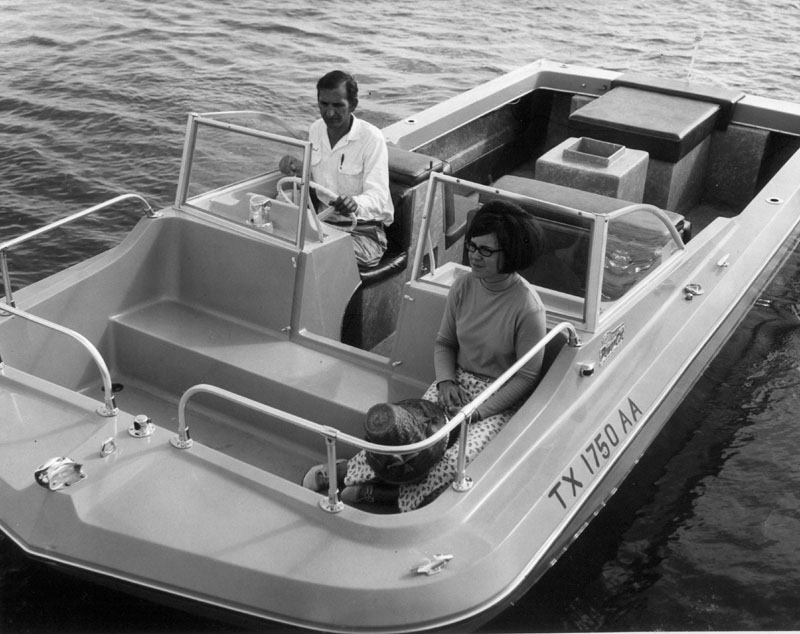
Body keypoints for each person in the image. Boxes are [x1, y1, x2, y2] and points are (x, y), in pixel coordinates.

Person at [302, 200, 548, 511]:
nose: (474, 255)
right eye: (472, 246)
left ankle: (385, 495)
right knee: (406, 435)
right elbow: (445, 342)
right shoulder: (463, 286)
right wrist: (446, 382)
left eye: (486, 250)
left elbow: (526, 376)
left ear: (510, 254)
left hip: (496, 398)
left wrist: (476, 412)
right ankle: (348, 471)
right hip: (455, 382)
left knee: (453, 459)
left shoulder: (528, 308)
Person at [280, 70, 394, 268]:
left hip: (363, 231)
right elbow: (320, 175)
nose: (329, 113)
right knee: (273, 229)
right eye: (324, 104)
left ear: (353, 105)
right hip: (322, 222)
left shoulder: (372, 139)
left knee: (317, 258)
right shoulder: (316, 129)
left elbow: (378, 196)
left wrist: (355, 204)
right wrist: (296, 166)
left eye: (338, 105)